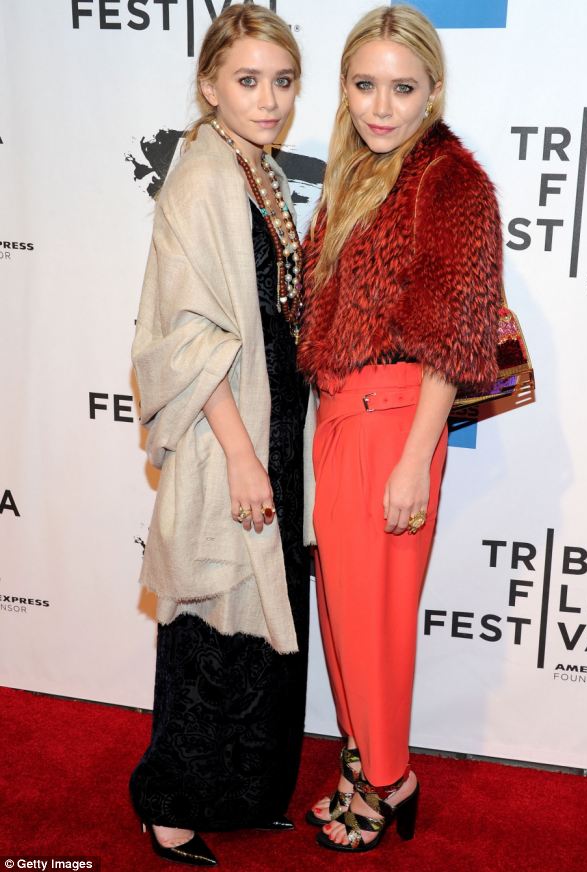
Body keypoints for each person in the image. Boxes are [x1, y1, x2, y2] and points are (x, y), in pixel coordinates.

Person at [298, 5, 502, 854]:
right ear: (345, 88)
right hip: (341, 416)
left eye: (403, 88)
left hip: (393, 427)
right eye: (365, 85)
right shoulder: (357, 173)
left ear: (434, 90)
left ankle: (391, 778)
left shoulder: (451, 183)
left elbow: (453, 335)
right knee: (345, 617)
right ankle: (360, 760)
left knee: (374, 621)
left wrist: (415, 461)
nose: (381, 106)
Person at [129, 6, 309, 866]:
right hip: (226, 425)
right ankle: (169, 806)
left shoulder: (259, 169)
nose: (269, 99)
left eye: (283, 81)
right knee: (209, 618)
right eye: (248, 81)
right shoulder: (203, 179)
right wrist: (242, 455)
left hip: (277, 418)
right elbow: (188, 337)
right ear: (209, 87)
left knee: (262, 619)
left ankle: (242, 791)